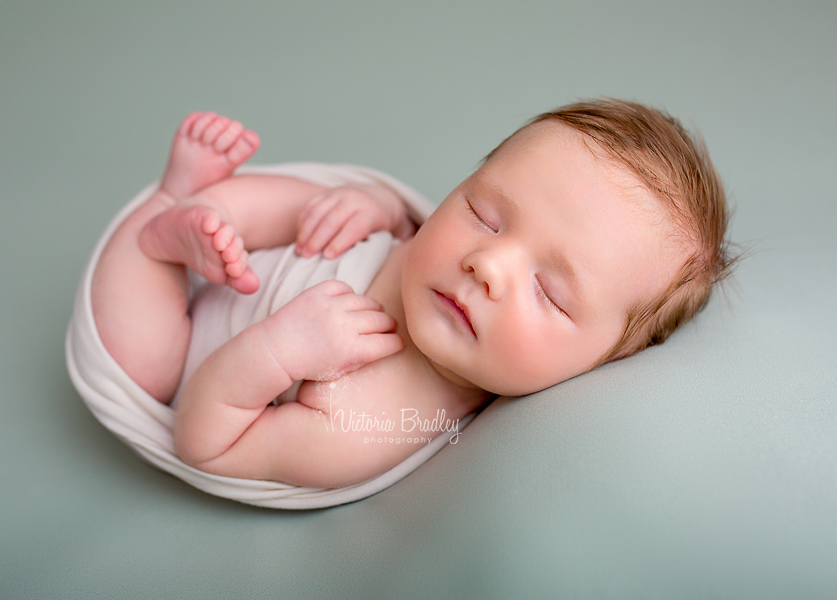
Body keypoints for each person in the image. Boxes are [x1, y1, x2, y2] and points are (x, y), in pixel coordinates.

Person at [91, 100, 733, 489]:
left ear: (602, 362)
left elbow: (206, 441)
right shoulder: (430, 255)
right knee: (318, 208)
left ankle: (162, 223)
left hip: (190, 362)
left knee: (141, 353)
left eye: (550, 293)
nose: (486, 263)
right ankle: (204, 209)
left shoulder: (379, 420)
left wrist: (279, 352)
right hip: (263, 261)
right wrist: (372, 208)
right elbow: (405, 226)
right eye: (484, 214)